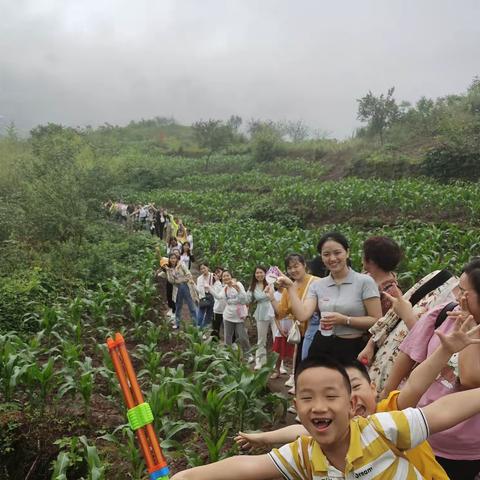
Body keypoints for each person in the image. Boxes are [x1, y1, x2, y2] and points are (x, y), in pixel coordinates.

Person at [171, 354, 480, 480]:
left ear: (351, 404)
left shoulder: (381, 428)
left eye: (331, 396)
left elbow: (440, 412)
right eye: (307, 398)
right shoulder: (305, 455)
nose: (318, 406)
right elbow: (248, 465)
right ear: (297, 408)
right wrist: (184, 476)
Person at [384, 257, 480, 479]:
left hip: (464, 450)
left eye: (464, 292)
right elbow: (407, 357)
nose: (457, 296)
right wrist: (385, 402)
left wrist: (469, 324)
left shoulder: (462, 320)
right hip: (417, 432)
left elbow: (470, 379)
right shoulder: (442, 314)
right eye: (458, 288)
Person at [280, 232, 382, 362]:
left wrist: (345, 320)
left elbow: (377, 321)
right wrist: (290, 288)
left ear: (347, 252)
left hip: (352, 347)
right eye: (326, 254)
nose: (332, 258)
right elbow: (302, 315)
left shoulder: (365, 282)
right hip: (322, 345)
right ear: (321, 257)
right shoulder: (318, 285)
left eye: (337, 252)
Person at [266, 253, 318, 392]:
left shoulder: (316, 282)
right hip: (301, 334)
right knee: (302, 365)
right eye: (290, 268)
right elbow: (281, 312)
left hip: (317, 335)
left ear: (304, 265)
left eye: (296, 266)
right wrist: (271, 297)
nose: (293, 270)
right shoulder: (289, 288)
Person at [210, 270, 251, 355]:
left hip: (239, 316)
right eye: (224, 276)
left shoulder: (238, 284)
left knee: (242, 337)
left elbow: (244, 300)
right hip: (227, 316)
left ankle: (248, 354)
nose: (226, 277)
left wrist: (238, 290)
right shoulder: (225, 288)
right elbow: (218, 297)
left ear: (231, 276)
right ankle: (227, 354)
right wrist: (209, 288)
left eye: (227, 275)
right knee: (227, 338)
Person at [243, 266, 275, 370]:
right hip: (261, 312)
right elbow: (247, 300)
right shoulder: (253, 286)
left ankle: (278, 364)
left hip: (274, 310)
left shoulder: (271, 283)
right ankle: (260, 361)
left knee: (277, 338)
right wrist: (244, 290)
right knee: (261, 339)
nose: (259, 275)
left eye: (261, 272)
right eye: (257, 273)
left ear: (265, 273)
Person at [165, 253, 198, 329]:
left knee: (192, 306)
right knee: (178, 307)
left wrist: (179, 280)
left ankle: (195, 324)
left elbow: (189, 274)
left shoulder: (181, 265)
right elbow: (171, 280)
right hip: (177, 289)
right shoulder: (169, 269)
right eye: (171, 258)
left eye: (174, 258)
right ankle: (177, 323)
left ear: (177, 259)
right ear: (169, 259)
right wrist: (181, 279)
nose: (173, 260)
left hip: (186, 287)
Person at [270, 287, 294, 379]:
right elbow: (275, 315)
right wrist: (279, 329)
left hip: (293, 326)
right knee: (277, 350)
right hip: (281, 326)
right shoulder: (274, 295)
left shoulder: (293, 293)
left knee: (294, 351)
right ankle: (277, 370)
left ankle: (293, 373)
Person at [209, 267, 226, 340]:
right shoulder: (215, 283)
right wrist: (217, 282)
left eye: (220, 272)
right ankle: (214, 341)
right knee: (216, 327)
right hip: (218, 309)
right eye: (216, 273)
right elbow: (217, 295)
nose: (218, 274)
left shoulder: (226, 283)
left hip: (226, 309)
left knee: (226, 326)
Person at [196, 262, 214, 329]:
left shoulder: (213, 276)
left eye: (204, 268)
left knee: (209, 315)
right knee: (201, 313)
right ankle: (198, 328)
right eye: (201, 269)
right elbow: (198, 289)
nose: (203, 270)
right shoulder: (199, 278)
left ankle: (202, 329)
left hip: (212, 297)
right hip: (203, 297)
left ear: (208, 267)